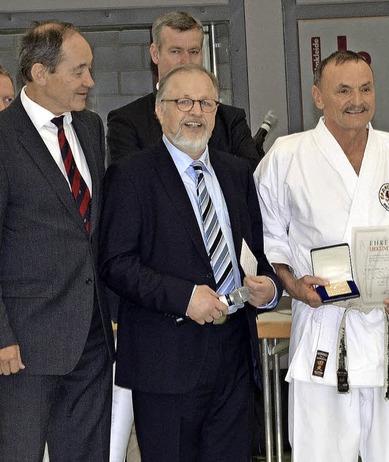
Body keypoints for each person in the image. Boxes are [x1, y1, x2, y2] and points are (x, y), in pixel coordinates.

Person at [254, 50, 389, 461]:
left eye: (365, 88)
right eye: (343, 90)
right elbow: (269, 239)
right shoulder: (286, 157)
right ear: (318, 97)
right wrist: (293, 286)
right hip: (325, 326)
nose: (356, 99)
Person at [99, 63, 282, 462]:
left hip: (234, 358)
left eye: (206, 103)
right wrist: (185, 298)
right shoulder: (131, 176)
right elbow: (116, 263)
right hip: (165, 363)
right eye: (183, 102)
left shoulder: (236, 173)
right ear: (160, 110)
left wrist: (269, 289)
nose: (195, 112)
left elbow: (258, 255)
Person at [0, 20, 115, 461]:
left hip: (90, 337)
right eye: (79, 70)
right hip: (23, 346)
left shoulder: (89, 128)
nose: (90, 81)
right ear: (40, 73)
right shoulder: (4, 137)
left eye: (90, 69)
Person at [107, 11, 260, 169]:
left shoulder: (230, 120)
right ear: (155, 53)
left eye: (193, 52)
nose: (186, 61)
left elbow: (248, 178)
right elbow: (129, 181)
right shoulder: (127, 121)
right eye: (176, 51)